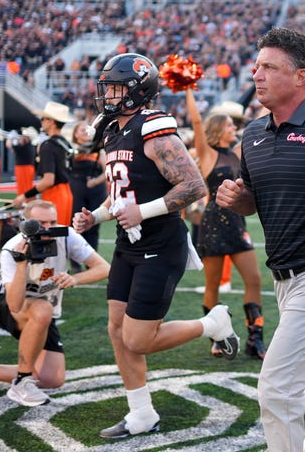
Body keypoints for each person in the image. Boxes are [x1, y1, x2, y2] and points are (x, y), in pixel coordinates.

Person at [73, 53, 240, 439]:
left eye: (115, 88)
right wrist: (95, 218)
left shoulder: (154, 127)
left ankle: (212, 323)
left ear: (137, 91)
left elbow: (194, 186)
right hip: (127, 243)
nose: (108, 95)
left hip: (160, 244)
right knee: (117, 329)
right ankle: (142, 414)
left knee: (138, 339)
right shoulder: (114, 130)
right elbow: (121, 194)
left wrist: (143, 212)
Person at [216, 27, 305, 452]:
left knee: (278, 389)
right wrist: (239, 198)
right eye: (256, 66)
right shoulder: (251, 134)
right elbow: (254, 200)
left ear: (301, 76)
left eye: (269, 67)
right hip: (283, 279)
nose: (257, 74)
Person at [0, 199, 110, 407]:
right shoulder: (11, 249)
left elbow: (104, 268)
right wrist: (22, 264)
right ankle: (21, 382)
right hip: (6, 303)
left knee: (52, 378)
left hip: (42, 308)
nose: (48, 228)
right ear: (25, 224)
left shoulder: (66, 235)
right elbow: (14, 304)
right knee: (43, 310)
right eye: (41, 223)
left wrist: (75, 279)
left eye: (53, 222)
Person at [186, 88, 264, 359]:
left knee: (253, 279)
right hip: (212, 224)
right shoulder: (207, 154)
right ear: (219, 129)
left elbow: (262, 120)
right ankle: (217, 339)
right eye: (230, 125)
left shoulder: (238, 152)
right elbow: (197, 122)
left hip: (236, 221)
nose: (235, 128)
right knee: (213, 285)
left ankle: (256, 339)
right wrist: (187, 87)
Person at [12, 101, 75, 226]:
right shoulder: (65, 143)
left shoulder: (48, 146)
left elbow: (48, 180)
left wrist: (24, 196)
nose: (41, 121)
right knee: (62, 235)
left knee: (51, 237)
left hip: (55, 194)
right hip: (67, 193)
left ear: (51, 121)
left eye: (43, 118)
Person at [69, 120, 107, 272]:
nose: (85, 132)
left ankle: (91, 262)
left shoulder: (99, 150)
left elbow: (107, 172)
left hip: (96, 190)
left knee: (93, 225)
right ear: (75, 134)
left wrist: (95, 181)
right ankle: (75, 262)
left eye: (87, 130)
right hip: (76, 190)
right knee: (77, 226)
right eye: (81, 130)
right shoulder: (70, 150)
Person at [5, 127, 37, 197]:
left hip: (23, 168)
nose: (21, 137)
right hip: (26, 168)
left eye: (23, 136)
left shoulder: (25, 147)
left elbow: (9, 145)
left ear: (27, 138)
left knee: (23, 187)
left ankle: (25, 202)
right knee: (25, 186)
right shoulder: (28, 146)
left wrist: (10, 138)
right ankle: (25, 202)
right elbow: (14, 149)